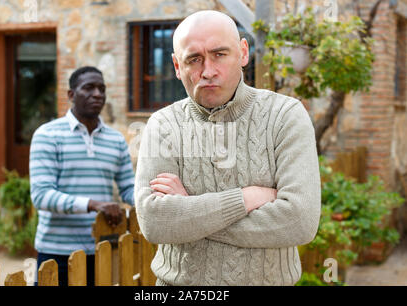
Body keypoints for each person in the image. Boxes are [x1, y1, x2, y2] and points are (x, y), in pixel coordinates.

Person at [134, 10, 321, 286]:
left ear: (243, 53)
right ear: (176, 66)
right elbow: (155, 222)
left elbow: (299, 222)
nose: (208, 71)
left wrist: (188, 212)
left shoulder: (285, 115)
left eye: (219, 54)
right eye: (193, 59)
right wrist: (245, 198)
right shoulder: (163, 125)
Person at [29, 66, 135, 286]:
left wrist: (154, 199)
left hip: (103, 248)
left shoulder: (115, 140)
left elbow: (128, 188)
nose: (97, 94)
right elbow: (41, 196)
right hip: (56, 253)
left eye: (102, 89)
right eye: (89, 88)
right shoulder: (48, 135)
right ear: (71, 95)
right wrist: (93, 204)